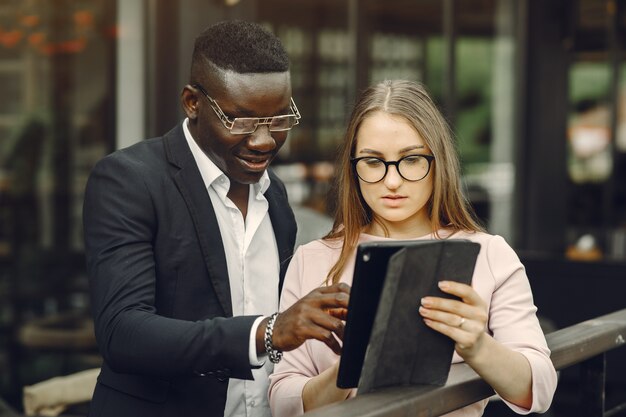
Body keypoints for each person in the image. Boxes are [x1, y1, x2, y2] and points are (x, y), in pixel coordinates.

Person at [82, 20, 349, 417]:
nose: (262, 141)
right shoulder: (129, 181)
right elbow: (123, 333)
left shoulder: (274, 195)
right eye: (240, 121)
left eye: (278, 120)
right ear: (192, 102)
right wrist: (267, 332)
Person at [268, 80, 558, 417]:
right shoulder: (313, 259)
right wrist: (348, 371)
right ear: (352, 167)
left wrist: (478, 345)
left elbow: (539, 387)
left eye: (411, 160)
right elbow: (281, 401)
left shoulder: (489, 253)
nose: (392, 181)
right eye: (373, 162)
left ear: (439, 161)